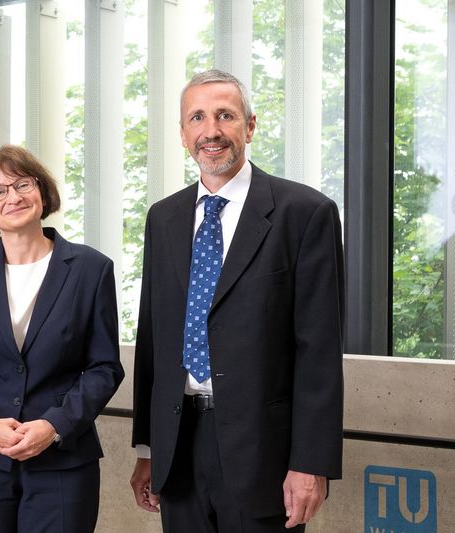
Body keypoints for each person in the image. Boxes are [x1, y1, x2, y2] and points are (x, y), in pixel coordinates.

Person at [129, 69, 344, 532]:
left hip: (264, 455)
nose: (211, 131)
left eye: (225, 116)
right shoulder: (163, 218)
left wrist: (311, 463)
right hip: (178, 447)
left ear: (250, 126)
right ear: (183, 134)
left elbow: (319, 353)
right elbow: (153, 340)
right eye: (197, 118)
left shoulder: (305, 214)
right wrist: (148, 449)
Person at [0, 145, 123, 533]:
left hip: (62, 461)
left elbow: (104, 368)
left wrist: (53, 425)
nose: (12, 197)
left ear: (42, 193)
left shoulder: (91, 269)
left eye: (23, 185)